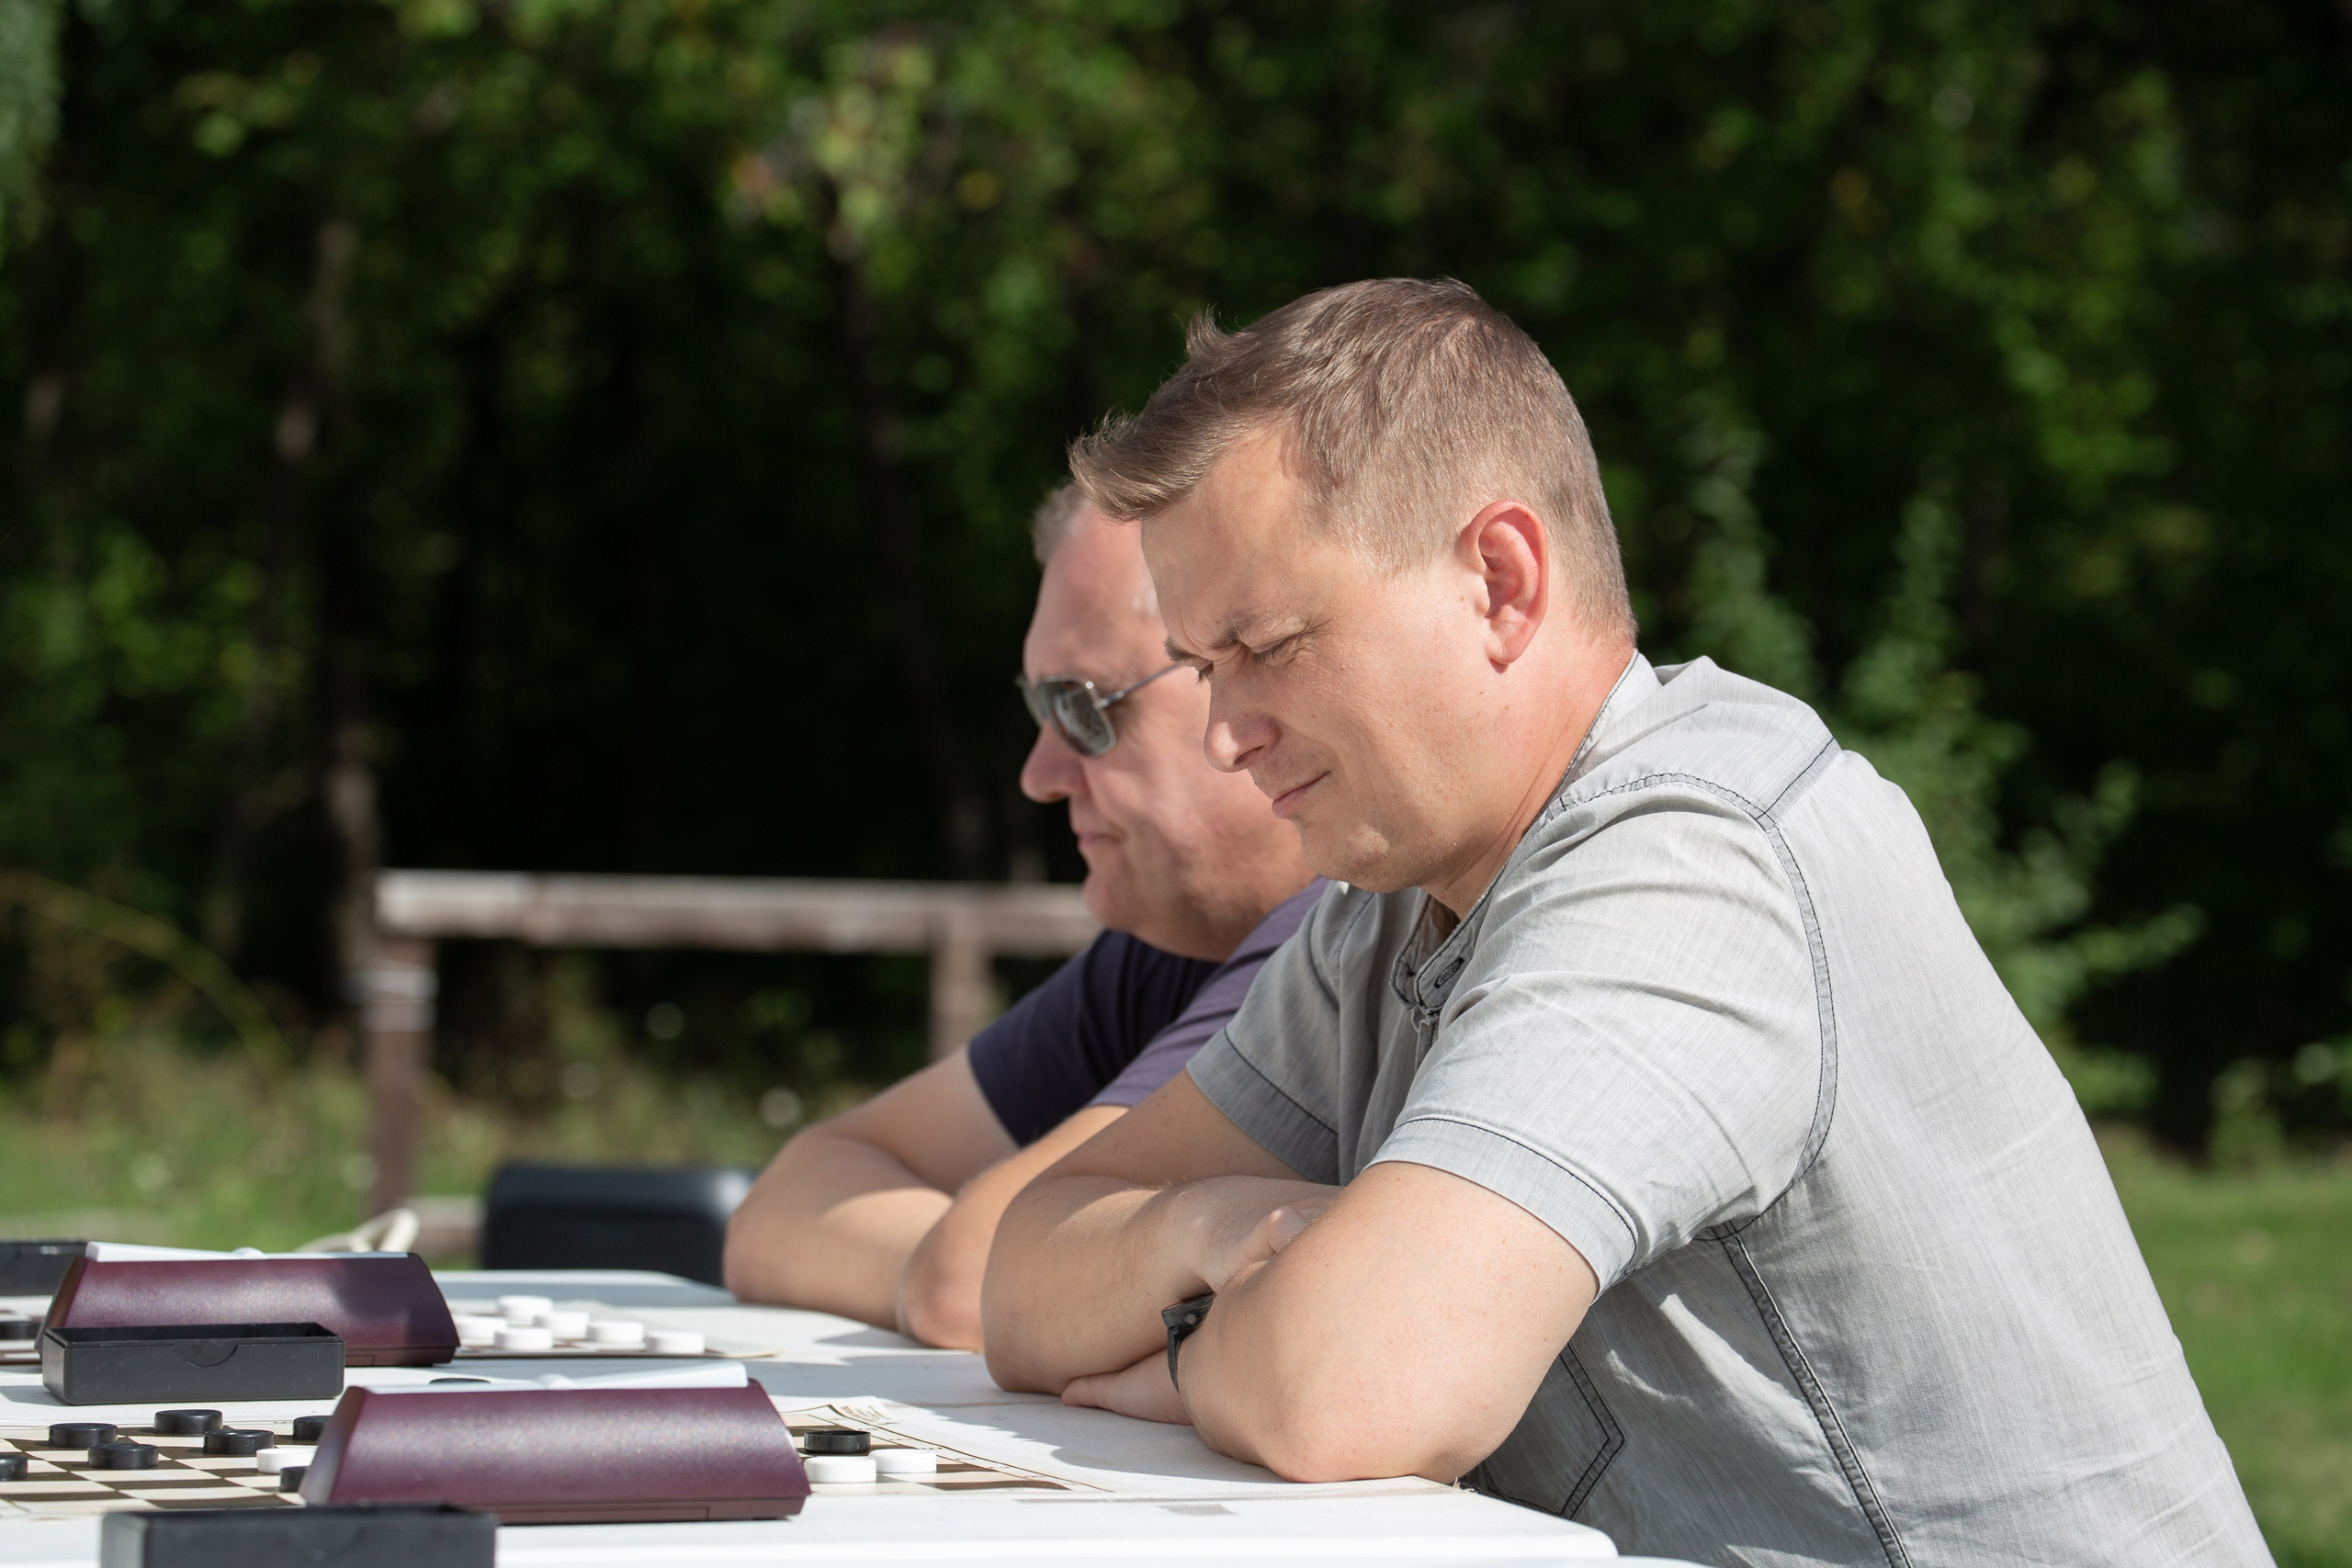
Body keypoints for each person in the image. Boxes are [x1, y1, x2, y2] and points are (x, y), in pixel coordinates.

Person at [979, 279, 2268, 1565]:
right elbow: (1019, 1273)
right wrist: (1211, 1232)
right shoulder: (1388, 908)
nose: (1224, 731)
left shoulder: (1692, 858)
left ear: (1500, 581)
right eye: (1205, 665)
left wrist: (1184, 1343)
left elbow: (1350, 1382)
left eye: (1266, 644)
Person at [722, 486, 1319, 1350]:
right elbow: (785, 1206)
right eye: (1042, 707)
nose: (1040, 774)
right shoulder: (1168, 950)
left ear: (1243, 675)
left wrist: (993, 1268)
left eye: (1085, 705)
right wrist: (960, 1265)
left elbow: (974, 1281)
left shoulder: (1329, 928)